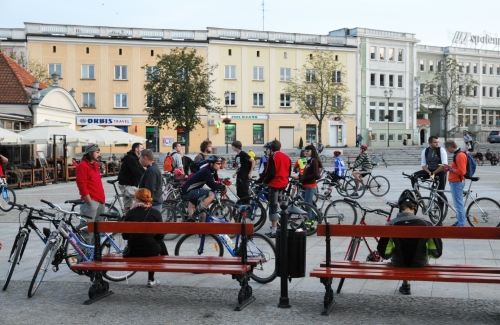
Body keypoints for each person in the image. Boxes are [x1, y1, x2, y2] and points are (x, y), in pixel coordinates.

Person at [377, 190, 443, 295]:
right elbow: (436, 252)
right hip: (420, 262)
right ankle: (405, 285)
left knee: (399, 250)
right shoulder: (427, 224)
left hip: (399, 263)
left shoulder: (391, 225)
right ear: (415, 208)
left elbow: (385, 252)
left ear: (400, 207)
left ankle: (405, 285)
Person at [122, 188, 167, 288]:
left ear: (137, 199)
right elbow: (161, 236)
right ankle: (151, 279)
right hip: (152, 251)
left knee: (146, 241)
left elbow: (125, 236)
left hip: (133, 251)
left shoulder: (130, 213)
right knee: (156, 241)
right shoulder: (155, 213)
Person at [259, 140, 291, 239]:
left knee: (272, 206)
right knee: (279, 203)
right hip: (284, 183)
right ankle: (280, 221)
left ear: (271, 149)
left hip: (275, 184)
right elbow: (289, 171)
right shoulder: (287, 156)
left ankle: (274, 231)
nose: (266, 152)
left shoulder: (273, 157)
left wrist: (263, 181)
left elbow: (269, 173)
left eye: (267, 149)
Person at [181, 155, 226, 219]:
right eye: (218, 163)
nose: (220, 165)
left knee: (196, 206)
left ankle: (194, 221)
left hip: (189, 190)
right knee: (211, 195)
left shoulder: (210, 170)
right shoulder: (206, 172)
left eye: (220, 163)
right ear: (211, 164)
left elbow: (213, 181)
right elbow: (213, 186)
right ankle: (197, 212)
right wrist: (223, 187)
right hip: (188, 191)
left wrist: (220, 184)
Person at [410, 136, 447, 209]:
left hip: (440, 171)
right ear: (430, 143)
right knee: (413, 176)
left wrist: (433, 174)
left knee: (440, 192)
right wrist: (430, 173)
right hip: (430, 170)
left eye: (437, 142)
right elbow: (423, 165)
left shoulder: (441, 150)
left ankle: (440, 211)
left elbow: (444, 165)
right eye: (435, 142)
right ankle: (417, 195)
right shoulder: (425, 151)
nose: (437, 144)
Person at [76, 144, 105, 220]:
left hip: (100, 200)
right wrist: (89, 201)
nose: (99, 154)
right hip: (91, 201)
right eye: (97, 152)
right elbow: (81, 184)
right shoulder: (82, 166)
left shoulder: (95, 165)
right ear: (90, 153)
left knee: (100, 228)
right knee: (88, 228)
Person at [442, 140, 467, 226]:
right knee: (459, 204)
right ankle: (460, 221)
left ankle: (461, 224)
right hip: (456, 181)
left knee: (458, 205)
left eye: (447, 149)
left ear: (450, 147)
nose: (447, 151)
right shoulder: (458, 154)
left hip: (457, 182)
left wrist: (450, 169)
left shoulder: (460, 155)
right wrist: (450, 167)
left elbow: (462, 171)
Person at [118, 142, 145, 213]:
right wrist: (144, 180)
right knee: (142, 199)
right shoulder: (131, 158)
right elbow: (136, 172)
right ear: (136, 149)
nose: (143, 149)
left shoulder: (135, 158)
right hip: (126, 185)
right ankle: (134, 215)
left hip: (129, 184)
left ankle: (127, 219)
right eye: (141, 148)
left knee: (127, 206)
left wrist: (147, 174)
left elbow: (141, 170)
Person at [299, 145, 322, 230]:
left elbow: (315, 174)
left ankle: (308, 223)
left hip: (310, 185)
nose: (306, 152)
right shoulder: (309, 160)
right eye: (305, 151)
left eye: (308, 151)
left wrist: (305, 178)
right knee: (310, 204)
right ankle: (312, 219)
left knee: (307, 205)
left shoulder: (314, 160)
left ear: (312, 151)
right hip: (306, 185)